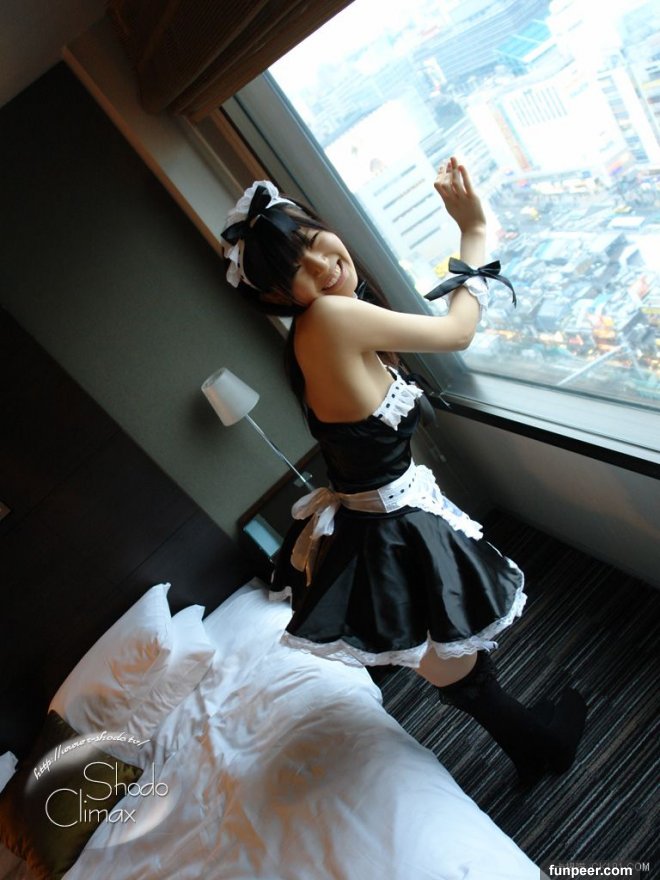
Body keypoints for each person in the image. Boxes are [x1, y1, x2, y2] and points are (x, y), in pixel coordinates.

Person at [221, 158, 586, 786]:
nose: (323, 264)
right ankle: (540, 748)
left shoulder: (316, 329)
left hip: (378, 521)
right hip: (388, 529)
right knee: (449, 651)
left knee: (446, 654)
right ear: (278, 296)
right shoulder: (330, 319)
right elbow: (457, 332)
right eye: (297, 269)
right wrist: (474, 231)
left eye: (313, 242)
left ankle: (531, 746)